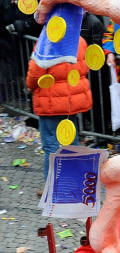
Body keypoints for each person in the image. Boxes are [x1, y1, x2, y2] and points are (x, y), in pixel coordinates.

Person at [26, 36, 92, 197]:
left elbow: (35, 73)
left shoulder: (48, 41)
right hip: (72, 99)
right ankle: (74, 184)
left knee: (51, 144)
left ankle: (54, 188)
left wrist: (30, 86)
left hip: (51, 100)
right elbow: (85, 67)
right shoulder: (79, 40)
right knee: (71, 143)